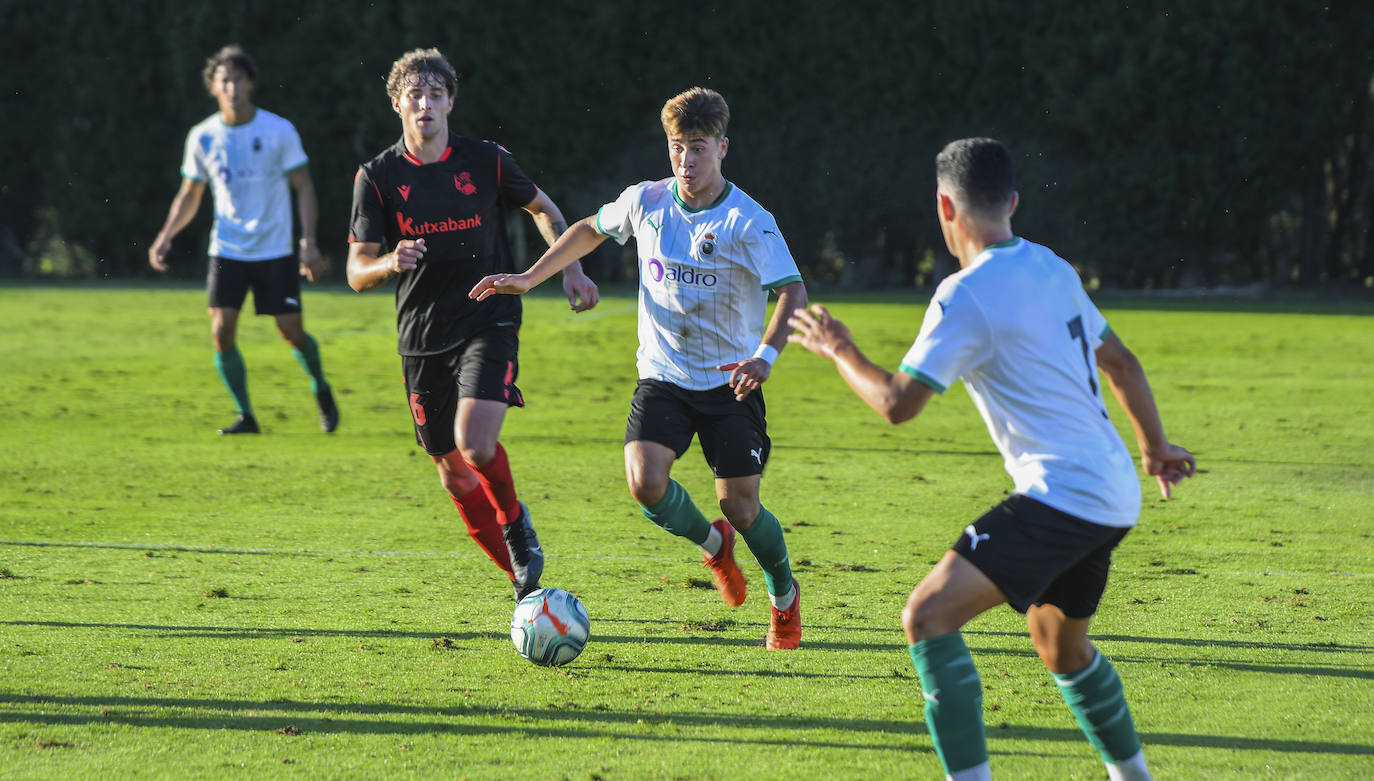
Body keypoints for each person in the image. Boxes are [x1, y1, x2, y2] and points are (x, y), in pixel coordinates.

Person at [787, 138, 1195, 779]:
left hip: (1064, 494)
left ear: (945, 207)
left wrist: (839, 348)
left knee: (927, 616)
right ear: (1011, 202)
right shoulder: (1053, 267)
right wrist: (1156, 448)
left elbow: (897, 404)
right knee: (1060, 647)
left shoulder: (964, 294)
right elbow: (1121, 362)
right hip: (1114, 491)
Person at [470, 87, 808, 649]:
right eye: (677, 147)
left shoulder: (749, 222)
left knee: (742, 508)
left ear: (723, 148)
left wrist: (765, 357)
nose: (686, 161)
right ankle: (712, 545)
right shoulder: (647, 200)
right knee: (644, 482)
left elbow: (792, 292)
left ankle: (783, 593)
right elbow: (588, 228)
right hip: (664, 377)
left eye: (698, 148)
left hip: (730, 383)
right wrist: (530, 277)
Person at [346, 48, 599, 601]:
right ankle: (524, 584)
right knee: (452, 472)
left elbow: (542, 208)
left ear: (451, 101)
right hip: (421, 337)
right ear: (397, 104)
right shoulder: (378, 177)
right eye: (415, 95)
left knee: (475, 445)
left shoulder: (486, 160)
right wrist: (389, 261)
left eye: (436, 94)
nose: (425, 104)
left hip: (490, 313)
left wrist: (571, 269)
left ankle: (515, 523)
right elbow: (355, 270)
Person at [149, 44, 338, 436]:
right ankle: (245, 415)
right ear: (213, 88)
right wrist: (166, 236)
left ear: (250, 83)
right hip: (228, 249)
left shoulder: (278, 130)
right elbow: (190, 194)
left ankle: (321, 387)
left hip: (275, 249)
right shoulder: (202, 136)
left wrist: (309, 241)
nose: (231, 87)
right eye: (224, 81)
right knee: (221, 331)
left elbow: (304, 186)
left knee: (292, 333)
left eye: (237, 78)